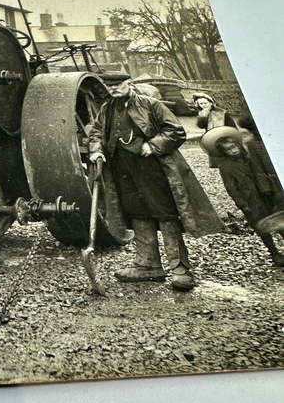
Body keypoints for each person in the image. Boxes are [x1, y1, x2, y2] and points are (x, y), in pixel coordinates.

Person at [89, 78, 225, 291]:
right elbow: (96, 131)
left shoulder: (150, 104)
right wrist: (96, 149)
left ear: (129, 84)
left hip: (152, 168)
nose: (113, 88)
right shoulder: (107, 108)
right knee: (138, 213)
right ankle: (148, 265)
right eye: (109, 86)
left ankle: (181, 270)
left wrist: (153, 145)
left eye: (117, 84)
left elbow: (176, 131)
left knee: (165, 213)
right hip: (122, 170)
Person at [201, 126, 284, 266]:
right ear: (223, 153)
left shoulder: (250, 158)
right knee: (261, 227)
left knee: (279, 220)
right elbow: (231, 188)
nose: (233, 151)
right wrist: (242, 204)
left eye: (234, 147)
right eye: (228, 150)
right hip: (250, 201)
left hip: (266, 195)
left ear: (239, 145)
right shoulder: (225, 166)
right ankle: (274, 253)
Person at [193, 92, 237, 167]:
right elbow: (201, 125)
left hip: (224, 135)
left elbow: (232, 126)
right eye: (201, 104)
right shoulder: (202, 114)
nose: (204, 105)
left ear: (211, 103)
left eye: (205, 103)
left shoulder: (222, 113)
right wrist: (203, 116)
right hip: (212, 137)